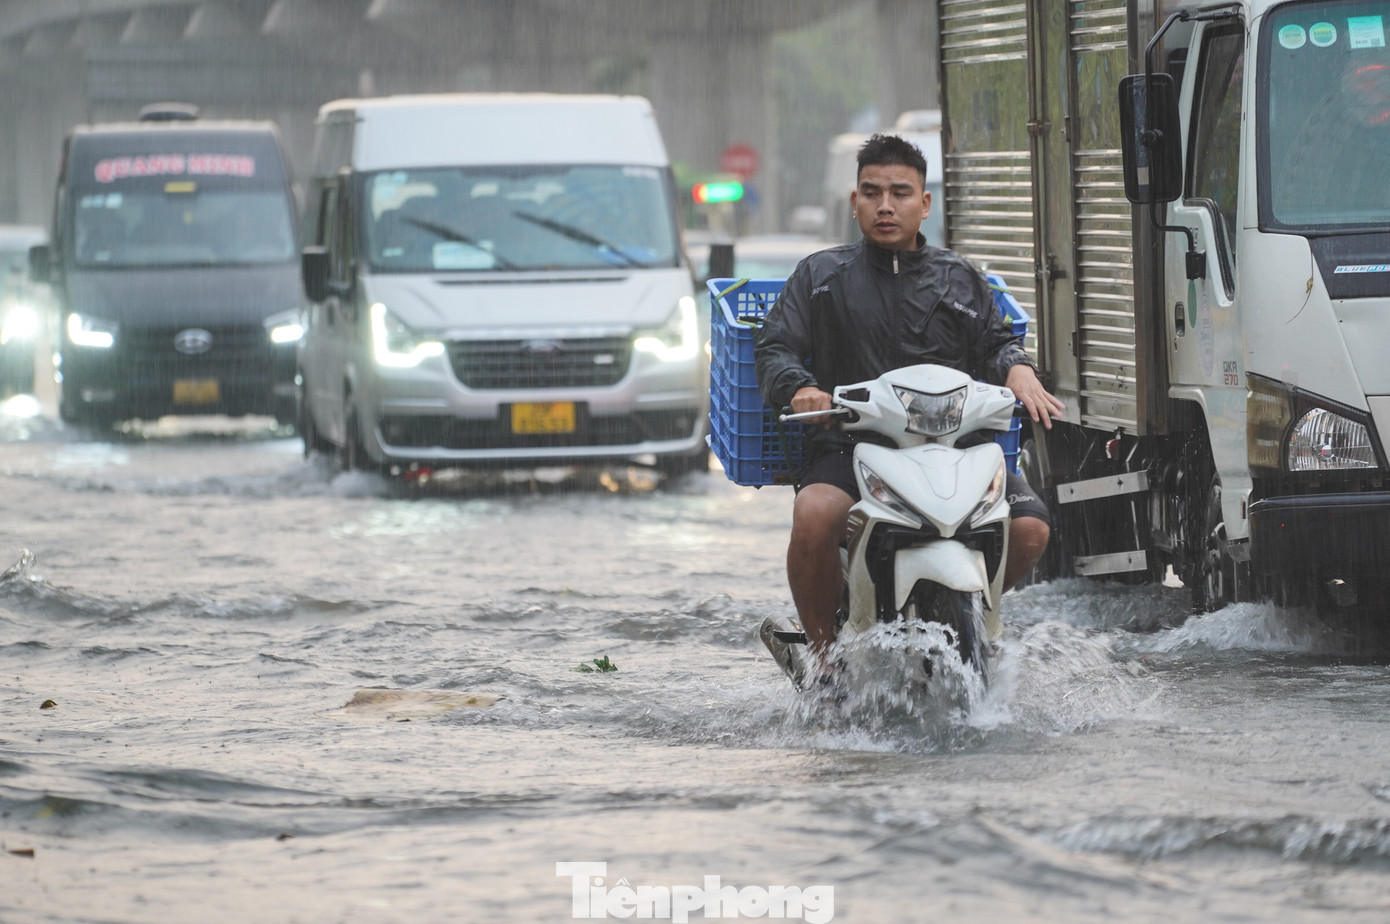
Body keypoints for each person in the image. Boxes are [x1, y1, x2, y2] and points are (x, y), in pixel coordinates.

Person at [755, 133, 1066, 675]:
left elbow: (996, 344)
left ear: (925, 204)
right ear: (853, 201)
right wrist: (799, 385)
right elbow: (776, 346)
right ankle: (826, 657)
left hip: (953, 447)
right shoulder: (820, 276)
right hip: (850, 444)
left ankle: (970, 609)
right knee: (814, 515)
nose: (884, 205)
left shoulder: (960, 278)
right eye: (871, 192)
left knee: (1032, 528)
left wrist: (1019, 370)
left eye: (900, 193)